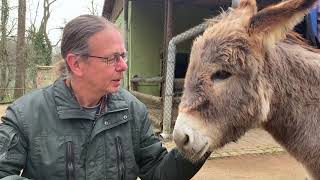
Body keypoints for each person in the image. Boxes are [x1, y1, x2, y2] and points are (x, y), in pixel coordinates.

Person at [0, 15, 209, 180]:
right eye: (112, 58)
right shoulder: (25, 115)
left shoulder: (132, 111)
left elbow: (157, 172)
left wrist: (203, 135)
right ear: (76, 64)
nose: (124, 66)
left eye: (123, 56)